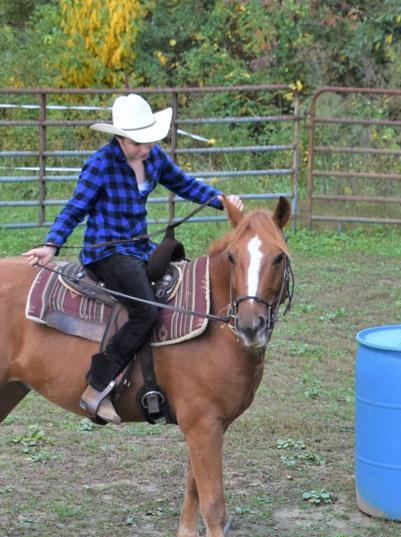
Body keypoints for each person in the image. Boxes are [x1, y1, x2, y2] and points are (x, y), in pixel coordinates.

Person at [23, 93, 243, 424]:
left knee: (176, 282)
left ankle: (169, 374)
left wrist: (220, 200)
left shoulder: (154, 159)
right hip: (106, 251)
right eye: (138, 143)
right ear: (120, 137)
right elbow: (75, 208)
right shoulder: (101, 165)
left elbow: (182, 183)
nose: (146, 149)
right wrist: (52, 245)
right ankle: (97, 384)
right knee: (146, 310)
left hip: (139, 247)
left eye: (149, 141)